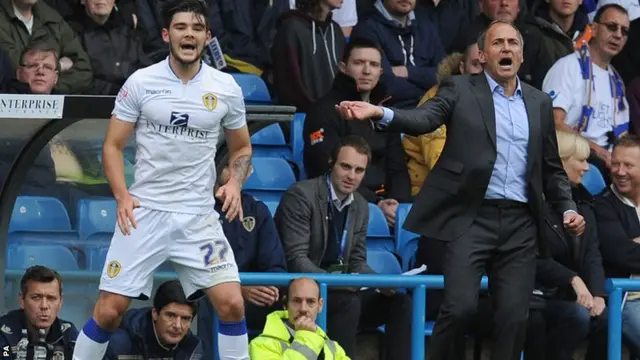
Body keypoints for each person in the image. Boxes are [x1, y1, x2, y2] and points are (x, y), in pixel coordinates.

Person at [335, 20, 585, 360]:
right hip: (472, 217)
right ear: (482, 55)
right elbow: (424, 120)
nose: (506, 48)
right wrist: (382, 112)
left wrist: (568, 207)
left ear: (522, 56)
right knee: (459, 308)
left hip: (520, 223)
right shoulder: (459, 88)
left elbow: (551, 168)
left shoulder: (539, 102)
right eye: (498, 43)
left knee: (515, 316)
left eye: (513, 43)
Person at [71, 1, 253, 360]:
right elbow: (112, 146)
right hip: (145, 213)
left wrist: (234, 182)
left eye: (197, 28)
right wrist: (122, 196)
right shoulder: (141, 82)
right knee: (109, 311)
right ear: (167, 35)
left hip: (198, 217)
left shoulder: (226, 87)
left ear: (207, 37)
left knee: (232, 304)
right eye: (182, 27)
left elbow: (242, 148)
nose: (189, 34)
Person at [275, 135, 413, 360]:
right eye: (346, 167)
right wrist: (339, 284)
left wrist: (382, 283)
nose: (352, 176)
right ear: (332, 163)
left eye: (359, 170)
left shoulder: (360, 205)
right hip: (303, 294)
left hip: (340, 291)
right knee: (348, 302)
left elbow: (357, 261)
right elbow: (296, 259)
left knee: (401, 302)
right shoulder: (300, 195)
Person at [302, 38, 411, 225]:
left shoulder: (383, 112)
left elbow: (398, 167)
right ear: (343, 68)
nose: (367, 71)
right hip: (342, 205)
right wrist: (376, 203)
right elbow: (324, 168)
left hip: (387, 204)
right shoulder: (325, 110)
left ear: (381, 72)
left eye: (374, 65)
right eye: (359, 63)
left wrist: (397, 204)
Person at [525, 131, 608, 360]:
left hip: (567, 295)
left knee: (606, 319)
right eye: (580, 160)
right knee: (575, 317)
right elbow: (532, 258)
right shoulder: (529, 203)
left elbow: (592, 252)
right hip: (531, 294)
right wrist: (573, 279)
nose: (587, 167)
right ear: (559, 163)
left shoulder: (583, 202)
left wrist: (598, 294)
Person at [198, 166, 287, 359]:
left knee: (297, 302)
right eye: (229, 165)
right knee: (211, 303)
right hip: (210, 293)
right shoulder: (199, 208)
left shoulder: (256, 210)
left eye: (241, 168)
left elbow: (275, 266)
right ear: (216, 166)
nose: (234, 173)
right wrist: (239, 289)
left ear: (249, 173)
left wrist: (266, 289)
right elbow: (194, 270)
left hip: (252, 297)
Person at [542, 4, 631, 181]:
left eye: (624, 31)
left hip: (608, 165)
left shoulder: (617, 81)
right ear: (594, 29)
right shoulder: (568, 67)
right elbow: (553, 123)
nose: (618, 35)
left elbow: (622, 137)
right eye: (612, 27)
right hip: (572, 161)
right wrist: (598, 152)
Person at [403, 41, 483, 196]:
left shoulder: (501, 102)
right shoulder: (437, 100)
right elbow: (439, 162)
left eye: (488, 66)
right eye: (476, 65)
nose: (482, 73)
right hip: (430, 193)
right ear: (462, 68)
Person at [594, 135, 640, 355]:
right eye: (615, 163)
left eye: (628, 165)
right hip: (627, 301)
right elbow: (623, 254)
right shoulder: (602, 205)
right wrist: (630, 246)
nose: (620, 172)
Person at [249, 277, 349, 359]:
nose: (303, 309)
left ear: (320, 306)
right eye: (296, 301)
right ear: (285, 304)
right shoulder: (260, 345)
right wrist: (306, 336)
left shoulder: (333, 348)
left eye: (310, 302)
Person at [105, 280, 203, 359]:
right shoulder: (121, 342)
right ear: (155, 313)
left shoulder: (192, 347)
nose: (177, 325)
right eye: (171, 315)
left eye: (185, 318)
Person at [0, 266, 78, 360]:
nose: (44, 306)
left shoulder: (68, 333)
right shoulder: (4, 333)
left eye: (51, 298)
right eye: (36, 297)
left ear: (60, 301)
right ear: (22, 300)